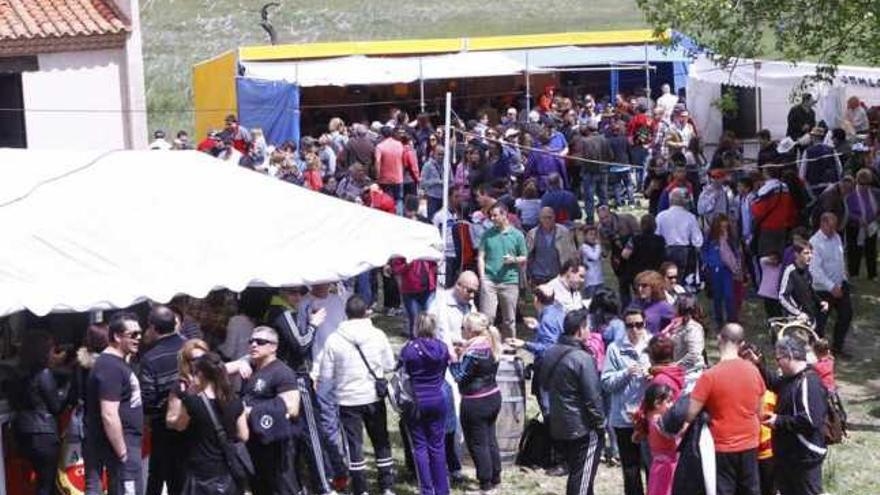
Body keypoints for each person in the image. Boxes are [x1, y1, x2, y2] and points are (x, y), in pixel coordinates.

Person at [318, 295, 396, 495]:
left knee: (354, 445)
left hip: (347, 400)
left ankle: (361, 488)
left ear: (346, 313)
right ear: (366, 312)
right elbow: (389, 365)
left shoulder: (334, 339)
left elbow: (326, 375)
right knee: (381, 441)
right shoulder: (377, 335)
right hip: (373, 396)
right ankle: (387, 485)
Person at [686, 323, 766, 495]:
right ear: (742, 344)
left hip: (721, 446)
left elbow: (690, 414)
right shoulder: (754, 371)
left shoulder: (709, 376)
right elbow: (761, 413)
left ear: (718, 339)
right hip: (750, 442)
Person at [539, 309, 605, 495]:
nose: (590, 331)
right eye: (587, 327)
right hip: (583, 426)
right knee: (582, 476)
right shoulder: (582, 358)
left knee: (578, 473)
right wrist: (601, 423)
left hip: (559, 423)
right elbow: (593, 397)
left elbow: (542, 383)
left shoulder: (551, 352)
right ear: (579, 330)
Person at [165, 352, 249, 495]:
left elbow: (179, 425)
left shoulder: (192, 402)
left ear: (201, 374)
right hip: (227, 469)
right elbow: (244, 435)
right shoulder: (235, 401)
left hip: (200, 471)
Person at [85, 312, 145, 495]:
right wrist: (123, 453)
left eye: (140, 333)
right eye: (133, 334)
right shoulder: (109, 366)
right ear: (117, 336)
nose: (139, 338)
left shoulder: (116, 364)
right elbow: (109, 414)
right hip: (121, 447)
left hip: (127, 444)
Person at [241, 326, 302, 495]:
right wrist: (243, 362)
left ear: (273, 347)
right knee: (259, 485)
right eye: (251, 341)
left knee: (282, 486)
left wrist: (251, 412)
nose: (254, 345)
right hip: (256, 439)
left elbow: (292, 407)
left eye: (260, 342)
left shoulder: (282, 372)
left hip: (276, 442)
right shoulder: (252, 367)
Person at [764, 337, 828, 495]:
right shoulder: (790, 379)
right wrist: (758, 364)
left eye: (779, 358)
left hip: (804, 457)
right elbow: (774, 383)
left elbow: (811, 419)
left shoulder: (810, 381)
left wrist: (778, 421)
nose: (777, 362)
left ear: (790, 356)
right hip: (790, 456)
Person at [9, 330, 68, 495]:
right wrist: (67, 389)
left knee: (41, 483)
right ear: (44, 351)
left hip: (22, 432)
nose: (53, 353)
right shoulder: (44, 374)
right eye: (51, 349)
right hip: (43, 434)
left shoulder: (17, 374)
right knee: (46, 485)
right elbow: (56, 407)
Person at [450, 313, 503, 495]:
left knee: (478, 443)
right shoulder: (490, 344)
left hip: (475, 401)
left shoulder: (474, 352)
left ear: (471, 331)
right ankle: (496, 477)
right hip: (493, 396)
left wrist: (453, 360)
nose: (461, 332)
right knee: (490, 439)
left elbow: (459, 376)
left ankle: (485, 486)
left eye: (463, 328)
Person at [399, 314, 451, 495]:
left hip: (416, 401)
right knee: (437, 446)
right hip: (438, 398)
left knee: (420, 447)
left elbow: (402, 370)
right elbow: (444, 371)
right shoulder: (443, 348)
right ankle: (442, 489)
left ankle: (427, 490)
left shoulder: (410, 349)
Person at [601, 307, 652, 495]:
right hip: (624, 418)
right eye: (630, 325)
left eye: (639, 325)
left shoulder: (652, 344)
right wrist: (626, 373)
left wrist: (652, 375)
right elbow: (606, 383)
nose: (635, 330)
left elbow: (666, 373)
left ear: (644, 323)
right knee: (630, 470)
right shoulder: (615, 349)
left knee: (652, 467)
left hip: (649, 417)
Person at [140, 306, 188, 495]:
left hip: (164, 425)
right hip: (195, 420)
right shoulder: (191, 347)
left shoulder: (151, 358)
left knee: (160, 474)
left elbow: (148, 400)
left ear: (152, 327)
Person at [478, 202, 527, 339]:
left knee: (509, 320)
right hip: (489, 281)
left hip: (510, 281)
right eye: (491, 216)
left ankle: (510, 346)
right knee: (487, 318)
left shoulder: (517, 235)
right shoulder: (487, 234)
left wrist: (513, 260)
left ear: (504, 215)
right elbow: (481, 256)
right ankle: (486, 346)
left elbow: (524, 257)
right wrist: (482, 277)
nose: (492, 219)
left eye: (495, 215)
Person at [810, 213, 853, 356]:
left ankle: (837, 347)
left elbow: (840, 259)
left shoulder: (837, 237)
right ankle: (816, 352)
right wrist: (831, 287)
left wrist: (844, 278)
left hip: (840, 285)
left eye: (835, 226)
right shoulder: (815, 242)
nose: (834, 230)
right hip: (823, 290)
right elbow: (815, 270)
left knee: (846, 315)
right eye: (831, 226)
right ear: (822, 224)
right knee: (820, 322)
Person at [702, 215, 744, 326]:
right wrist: (708, 263)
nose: (724, 229)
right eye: (722, 227)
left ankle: (732, 319)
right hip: (715, 268)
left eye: (725, 227)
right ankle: (719, 319)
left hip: (727, 269)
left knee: (729, 294)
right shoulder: (711, 238)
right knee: (717, 295)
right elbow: (704, 251)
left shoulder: (730, 238)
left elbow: (736, 253)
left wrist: (737, 266)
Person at [638, 383, 678, 495]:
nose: (672, 404)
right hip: (666, 468)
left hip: (659, 466)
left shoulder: (650, 417)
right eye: (669, 401)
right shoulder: (659, 422)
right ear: (657, 404)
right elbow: (674, 436)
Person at [656, 188, 703, 283]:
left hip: (666, 248)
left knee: (666, 277)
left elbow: (656, 234)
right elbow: (697, 240)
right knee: (680, 278)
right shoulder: (690, 217)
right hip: (683, 250)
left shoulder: (661, 216)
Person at [620, 214, 666, 308]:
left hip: (637, 275)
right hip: (655, 274)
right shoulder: (661, 240)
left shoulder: (635, 239)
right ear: (655, 226)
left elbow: (625, 255)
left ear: (641, 226)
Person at [659, 294, 705, 387]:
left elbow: (694, 354)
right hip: (680, 374)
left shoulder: (692, 328)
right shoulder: (676, 325)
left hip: (691, 377)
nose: (673, 307)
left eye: (676, 304)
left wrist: (675, 367)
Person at [526, 206, 579, 286]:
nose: (547, 220)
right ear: (540, 218)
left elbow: (572, 254)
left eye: (549, 217)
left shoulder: (563, 232)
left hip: (558, 276)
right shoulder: (532, 234)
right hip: (538, 276)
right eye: (544, 217)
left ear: (554, 217)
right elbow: (527, 255)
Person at [778, 239, 827, 324]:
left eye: (811, 253)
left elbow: (810, 290)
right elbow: (783, 296)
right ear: (797, 254)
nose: (810, 256)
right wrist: (798, 313)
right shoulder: (790, 271)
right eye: (806, 253)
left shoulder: (806, 271)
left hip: (810, 319)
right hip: (796, 321)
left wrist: (820, 302)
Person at [844, 168, 880, 279]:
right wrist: (858, 219)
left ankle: (872, 274)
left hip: (871, 225)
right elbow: (846, 212)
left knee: (871, 250)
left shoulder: (876, 193)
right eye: (862, 184)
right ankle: (854, 273)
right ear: (857, 182)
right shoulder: (850, 195)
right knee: (854, 250)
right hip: (855, 226)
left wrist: (877, 218)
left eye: (868, 183)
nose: (865, 186)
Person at [800, 127, 843, 198]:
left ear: (814, 137)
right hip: (831, 186)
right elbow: (839, 168)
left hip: (814, 187)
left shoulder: (808, 151)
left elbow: (802, 173)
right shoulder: (831, 150)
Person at [632, 271, 676, 335]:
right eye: (638, 286)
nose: (640, 289)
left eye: (644, 286)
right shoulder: (635, 303)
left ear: (654, 287)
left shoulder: (664, 307)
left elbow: (673, 328)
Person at [375, 126, 405, 212]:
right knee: (398, 200)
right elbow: (403, 160)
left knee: (385, 201)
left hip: (384, 179)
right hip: (398, 178)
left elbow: (377, 162)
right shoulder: (399, 144)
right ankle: (400, 216)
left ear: (381, 135)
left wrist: (377, 177)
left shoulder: (380, 147)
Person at [580, 225, 604, 298]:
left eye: (595, 234)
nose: (593, 237)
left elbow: (602, 258)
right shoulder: (584, 247)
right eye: (590, 234)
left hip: (599, 279)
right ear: (585, 236)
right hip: (590, 281)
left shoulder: (595, 247)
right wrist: (598, 245)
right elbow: (595, 257)